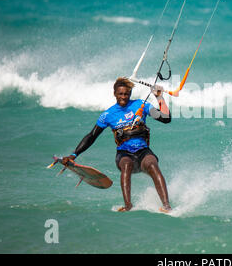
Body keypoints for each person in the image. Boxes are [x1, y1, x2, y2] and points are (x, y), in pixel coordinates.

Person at [62, 77, 172, 212]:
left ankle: (167, 206)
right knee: (126, 164)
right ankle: (128, 206)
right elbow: (92, 136)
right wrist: (74, 154)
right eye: (120, 94)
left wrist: (159, 98)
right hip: (124, 154)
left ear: (130, 94)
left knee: (152, 164)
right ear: (115, 93)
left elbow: (166, 119)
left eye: (126, 94)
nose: (123, 97)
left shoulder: (142, 105)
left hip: (143, 152)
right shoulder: (108, 115)